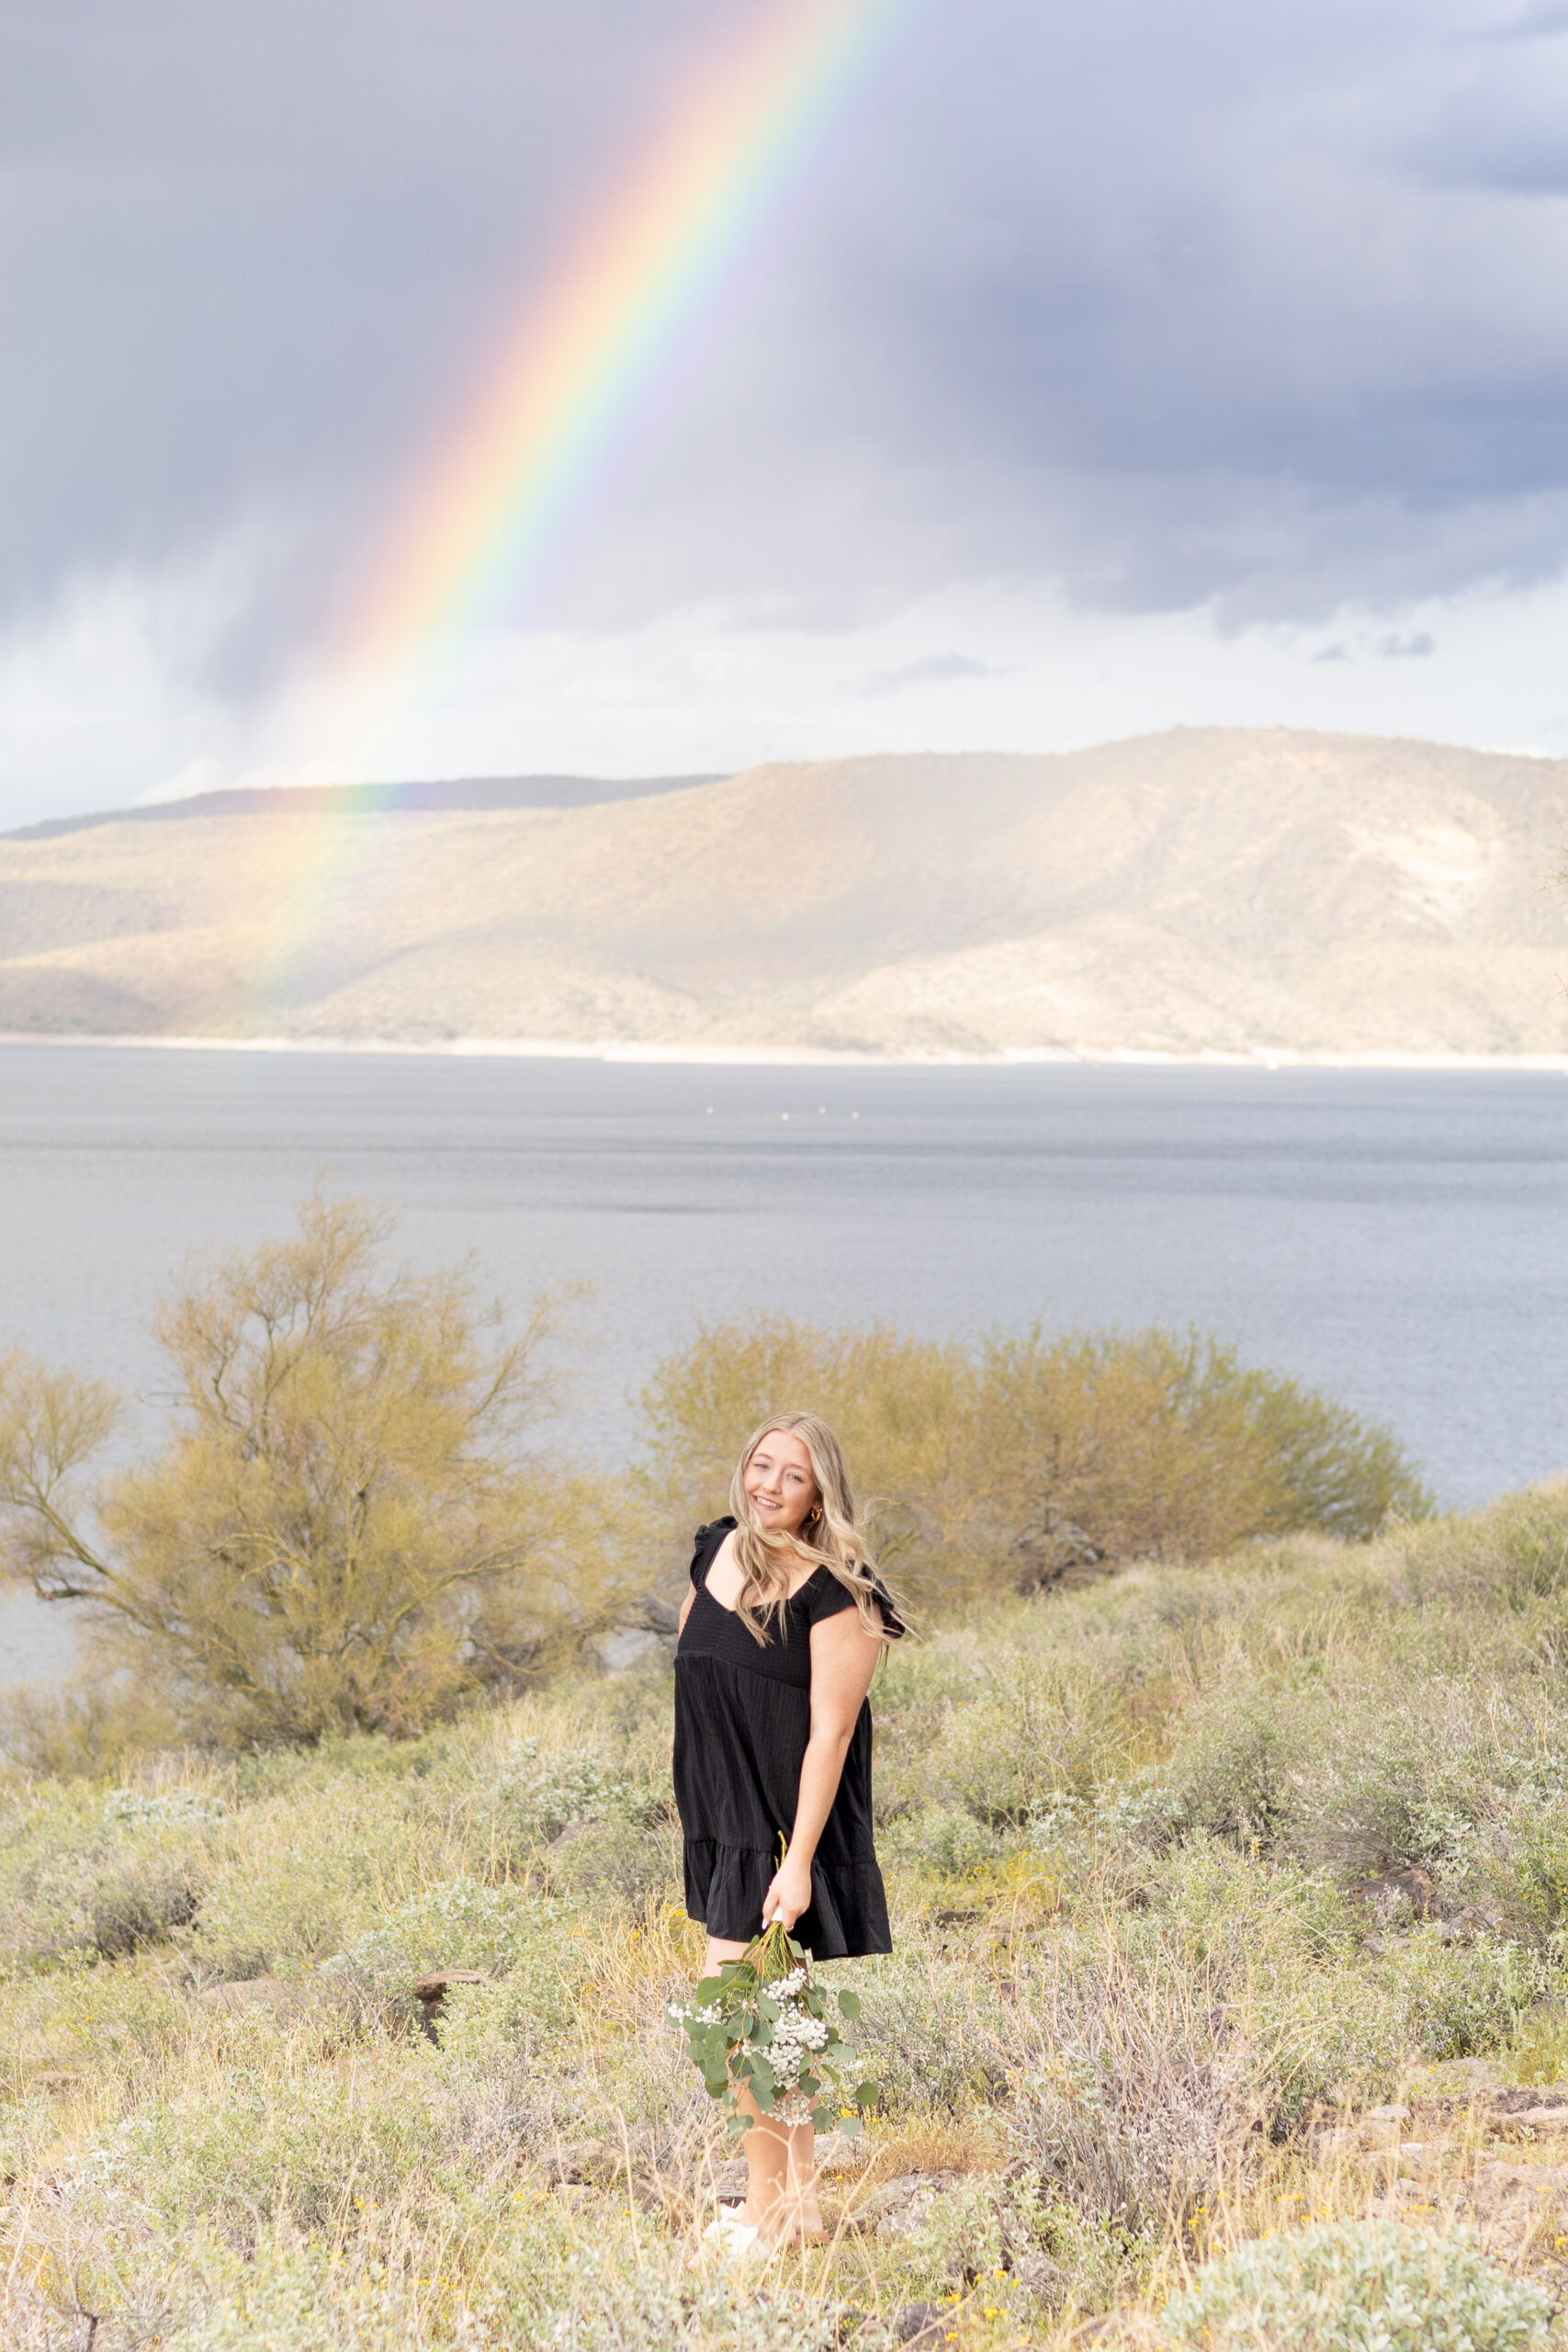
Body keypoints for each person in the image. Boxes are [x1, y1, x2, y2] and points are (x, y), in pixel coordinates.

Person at [672, 1410, 906, 2251]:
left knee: (737, 2027)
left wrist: (798, 1861)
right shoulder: (714, 1552)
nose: (768, 1485)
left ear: (817, 1497)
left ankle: (767, 2220)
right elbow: (696, 1676)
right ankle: (796, 2210)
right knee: (777, 2025)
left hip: (781, 1833)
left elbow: (831, 1735)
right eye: (760, 1466)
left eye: (791, 1476)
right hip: (721, 1820)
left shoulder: (836, 1593)